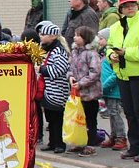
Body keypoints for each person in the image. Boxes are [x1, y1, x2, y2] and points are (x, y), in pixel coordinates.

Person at [106, 0, 139, 161]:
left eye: (132, 5)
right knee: (129, 112)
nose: (130, 8)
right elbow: (108, 47)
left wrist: (125, 53)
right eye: (126, 6)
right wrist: (111, 56)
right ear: (121, 8)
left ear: (138, 6)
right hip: (123, 74)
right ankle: (134, 146)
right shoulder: (116, 27)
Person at [68, 26, 103, 156]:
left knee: (90, 119)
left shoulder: (91, 53)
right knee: (79, 120)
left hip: (90, 93)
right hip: (78, 93)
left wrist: (81, 83)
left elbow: (95, 72)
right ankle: (79, 142)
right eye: (75, 35)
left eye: (78, 35)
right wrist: (70, 77)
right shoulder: (75, 52)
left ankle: (90, 144)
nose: (75, 37)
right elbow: (70, 67)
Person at [38, 21, 70, 153]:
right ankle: (52, 142)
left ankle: (60, 143)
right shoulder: (48, 49)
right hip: (49, 89)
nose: (41, 36)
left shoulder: (58, 51)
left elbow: (60, 69)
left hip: (57, 89)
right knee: (50, 118)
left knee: (57, 118)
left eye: (44, 34)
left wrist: (42, 69)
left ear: (52, 36)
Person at [97, 28, 128, 151]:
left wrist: (104, 85)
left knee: (115, 113)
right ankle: (114, 135)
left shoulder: (112, 56)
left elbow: (115, 74)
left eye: (101, 39)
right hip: (108, 90)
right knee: (111, 113)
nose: (99, 41)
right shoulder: (104, 55)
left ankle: (121, 137)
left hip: (113, 90)